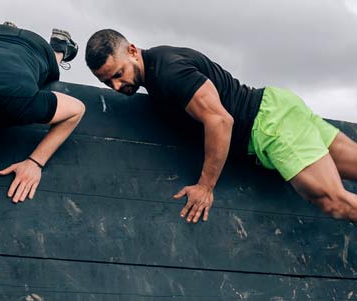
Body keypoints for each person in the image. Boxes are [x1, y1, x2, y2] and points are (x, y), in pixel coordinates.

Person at [85, 29, 357, 223]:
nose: (117, 86)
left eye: (118, 74)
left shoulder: (168, 73)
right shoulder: (159, 67)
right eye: (108, 83)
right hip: (278, 107)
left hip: (268, 124)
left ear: (132, 51)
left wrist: (206, 187)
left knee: (333, 200)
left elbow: (220, 120)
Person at [0, 22, 85, 203]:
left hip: (38, 48)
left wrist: (35, 162)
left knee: (51, 66)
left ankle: (60, 47)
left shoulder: (19, 101)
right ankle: (9, 27)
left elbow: (76, 109)